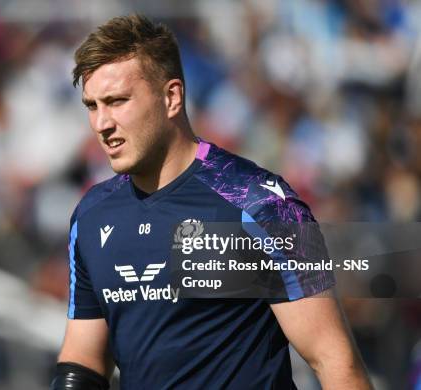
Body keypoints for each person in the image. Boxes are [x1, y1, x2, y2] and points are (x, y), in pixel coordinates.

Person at [51, 14, 372, 389]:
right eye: (92, 105)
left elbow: (335, 361)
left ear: (172, 97)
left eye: (117, 101)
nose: (102, 123)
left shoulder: (259, 204)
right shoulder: (92, 215)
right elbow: (82, 363)